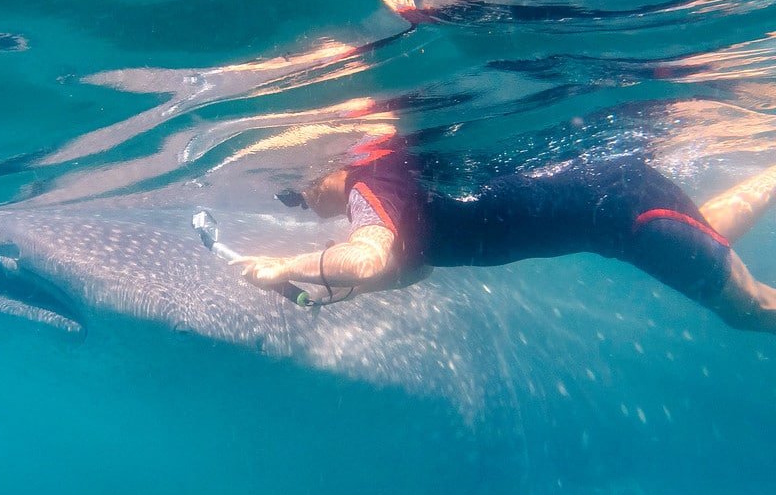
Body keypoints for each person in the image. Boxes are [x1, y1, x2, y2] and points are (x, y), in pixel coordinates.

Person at [232, 136, 776, 333]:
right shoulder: (392, 191)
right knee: (703, 232)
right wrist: (328, 290)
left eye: (293, 194)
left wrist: (284, 267)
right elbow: (411, 268)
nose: (303, 207)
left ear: (326, 165)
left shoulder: (368, 182)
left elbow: (369, 260)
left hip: (623, 216)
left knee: (750, 311)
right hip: (622, 207)